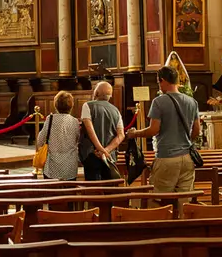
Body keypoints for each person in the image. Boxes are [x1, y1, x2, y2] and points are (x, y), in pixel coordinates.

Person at [127, 67, 199, 195]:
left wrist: (135, 133)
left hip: (167, 157)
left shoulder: (159, 102)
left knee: (159, 199)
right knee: (184, 200)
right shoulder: (192, 102)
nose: (159, 85)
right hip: (187, 158)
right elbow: (196, 131)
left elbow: (154, 130)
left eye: (158, 82)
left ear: (163, 80)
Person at [79, 81, 123, 181]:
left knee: (93, 189)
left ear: (96, 93)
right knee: (109, 188)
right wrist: (106, 150)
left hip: (91, 153)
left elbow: (90, 130)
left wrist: (101, 150)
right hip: (109, 155)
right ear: (110, 96)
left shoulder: (88, 105)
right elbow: (121, 135)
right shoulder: (115, 110)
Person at [38, 91, 82, 180]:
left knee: (52, 192)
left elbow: (40, 140)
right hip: (69, 166)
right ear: (71, 105)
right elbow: (78, 140)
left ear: (56, 104)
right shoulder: (75, 121)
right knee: (69, 192)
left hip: (52, 166)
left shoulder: (50, 119)